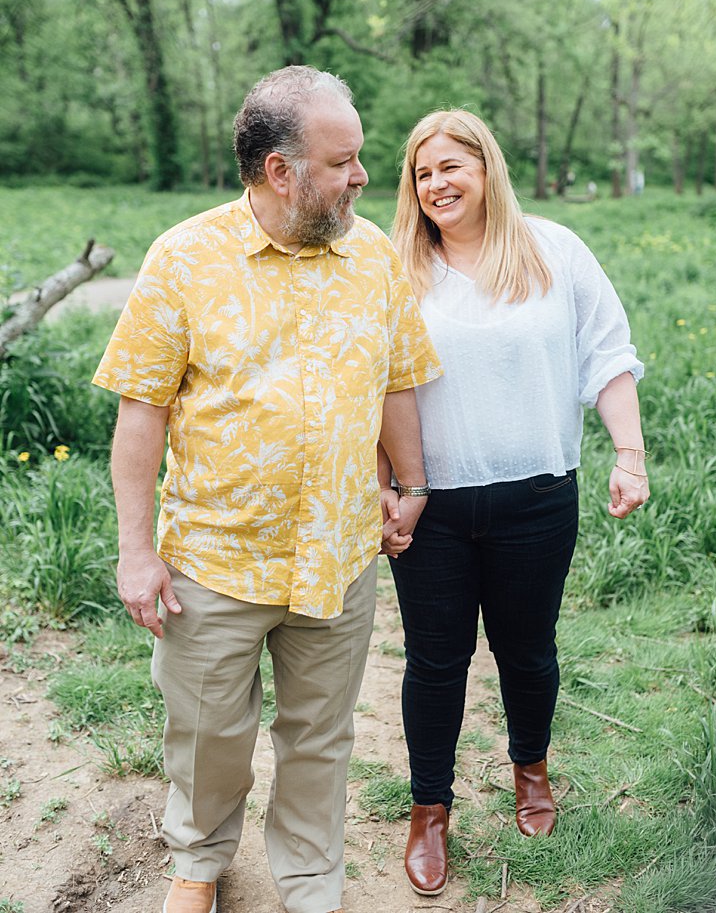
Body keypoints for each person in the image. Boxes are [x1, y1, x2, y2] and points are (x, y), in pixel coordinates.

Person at [93, 66, 443, 913]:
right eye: (344, 161)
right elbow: (141, 416)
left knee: (320, 736)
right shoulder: (183, 257)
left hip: (339, 551)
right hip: (214, 558)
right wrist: (136, 553)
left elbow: (398, 379)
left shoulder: (374, 259)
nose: (364, 176)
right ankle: (199, 861)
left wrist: (411, 482)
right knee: (210, 734)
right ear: (280, 170)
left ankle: (310, 879)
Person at [386, 109, 649, 897]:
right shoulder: (396, 266)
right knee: (436, 661)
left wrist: (628, 453)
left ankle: (531, 768)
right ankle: (429, 807)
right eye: (422, 173)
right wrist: (384, 486)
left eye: (450, 167)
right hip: (431, 503)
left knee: (527, 649)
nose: (436, 185)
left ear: (486, 167)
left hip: (537, 493)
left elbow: (608, 352)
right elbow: (373, 382)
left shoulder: (553, 250)